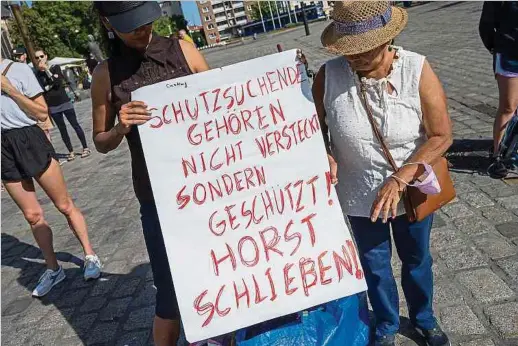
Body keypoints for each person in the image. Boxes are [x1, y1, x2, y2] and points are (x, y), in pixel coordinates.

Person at [312, 2, 453, 346]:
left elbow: (441, 135)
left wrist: (402, 175)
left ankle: (424, 318)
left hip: (410, 189)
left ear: (386, 40)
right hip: (359, 192)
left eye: (362, 50)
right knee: (374, 265)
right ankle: (387, 324)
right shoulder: (327, 76)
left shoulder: (416, 69)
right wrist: (325, 154)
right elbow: (313, 131)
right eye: (348, 50)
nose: (353, 57)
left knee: (416, 257)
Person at [90, 2, 209, 345]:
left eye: (145, 22)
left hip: (209, 184)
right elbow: (100, 141)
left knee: (221, 273)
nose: (141, 31)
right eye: (131, 26)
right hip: (157, 199)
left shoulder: (183, 50)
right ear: (107, 22)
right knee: (169, 296)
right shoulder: (105, 74)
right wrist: (120, 128)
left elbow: (224, 99)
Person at [1, 57, 102, 297]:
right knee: (32, 215)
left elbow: (41, 111)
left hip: (29, 138)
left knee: (64, 204)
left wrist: (9, 89)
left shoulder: (18, 70)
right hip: (3, 148)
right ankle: (53, 269)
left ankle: (90, 255)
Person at [34, 49, 91, 161]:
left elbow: (57, 83)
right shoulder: (37, 74)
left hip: (64, 101)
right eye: (37, 57)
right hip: (53, 105)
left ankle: (85, 147)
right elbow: (42, 89)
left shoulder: (55, 67)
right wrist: (50, 83)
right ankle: (71, 151)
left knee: (75, 124)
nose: (39, 59)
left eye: (41, 56)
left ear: (46, 56)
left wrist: (47, 71)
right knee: (62, 129)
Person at [479, 2, 518, 156]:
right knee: (509, 106)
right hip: (508, 54)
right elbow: (486, 26)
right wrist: (496, 47)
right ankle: (499, 155)